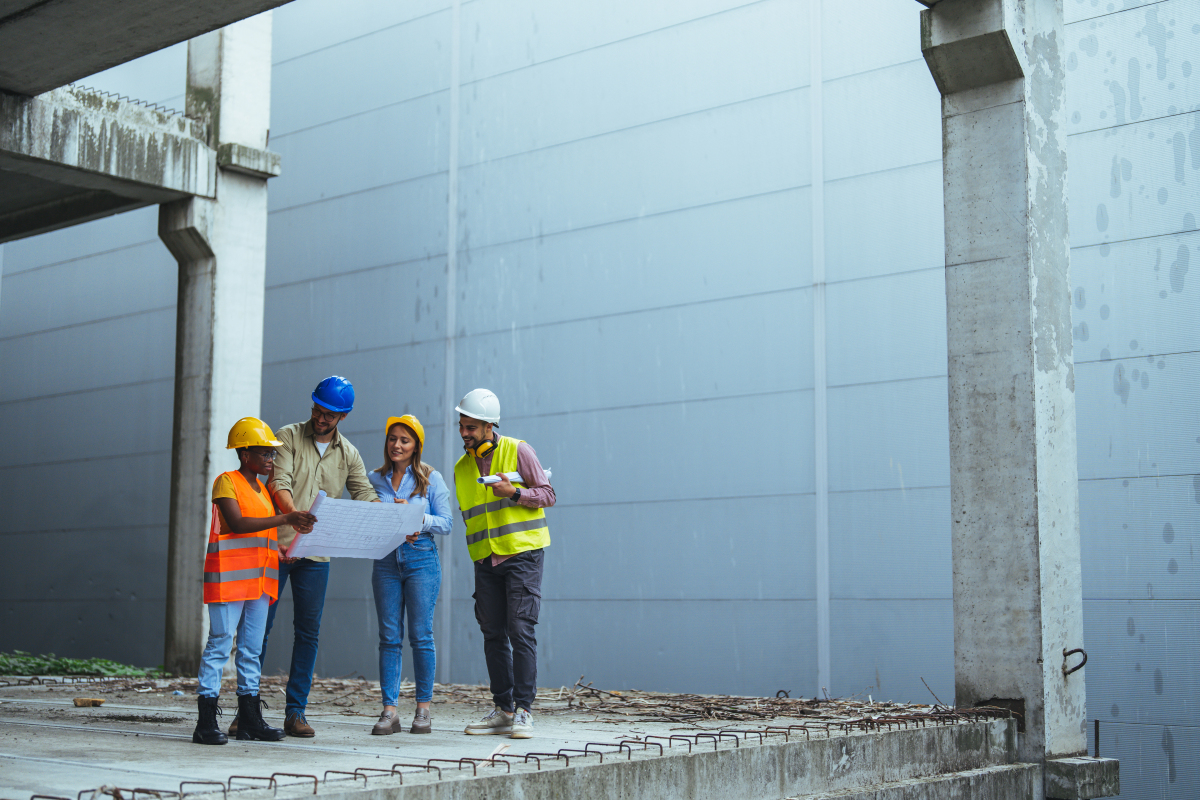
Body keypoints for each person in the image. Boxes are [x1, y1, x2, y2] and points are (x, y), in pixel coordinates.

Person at [253, 375, 379, 738]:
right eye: (317, 410)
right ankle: (247, 709)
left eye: (329, 415)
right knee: (258, 629)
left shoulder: (349, 454)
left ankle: (296, 713)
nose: (320, 418)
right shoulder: (288, 436)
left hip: (316, 555)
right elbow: (280, 483)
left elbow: (365, 495)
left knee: (308, 634)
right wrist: (293, 518)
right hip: (277, 547)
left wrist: (391, 512)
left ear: (343, 417)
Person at [193, 417, 317, 745]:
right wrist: (287, 517)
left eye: (272, 454)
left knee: (250, 650)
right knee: (220, 644)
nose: (270, 459)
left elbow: (259, 532)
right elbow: (237, 523)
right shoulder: (226, 482)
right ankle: (205, 723)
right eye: (264, 453)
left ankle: (250, 720)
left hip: (259, 581)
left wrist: (279, 546)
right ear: (244, 454)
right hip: (229, 579)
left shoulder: (263, 490)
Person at [453, 389, 555, 739]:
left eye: (472, 427)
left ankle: (524, 710)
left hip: (523, 555)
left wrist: (514, 493)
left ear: (489, 426)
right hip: (486, 560)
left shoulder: (518, 450)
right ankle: (504, 708)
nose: (465, 433)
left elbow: (548, 494)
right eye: (462, 426)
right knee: (492, 633)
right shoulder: (461, 468)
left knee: (520, 629)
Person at [366, 415, 452, 735]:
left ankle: (423, 710)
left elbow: (446, 523)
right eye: (392, 439)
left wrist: (418, 519)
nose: (397, 445)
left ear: (416, 445)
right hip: (386, 560)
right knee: (389, 637)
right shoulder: (374, 479)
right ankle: (390, 711)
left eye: (405, 440)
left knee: (421, 635)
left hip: (421, 561)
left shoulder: (431, 478)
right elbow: (363, 516)